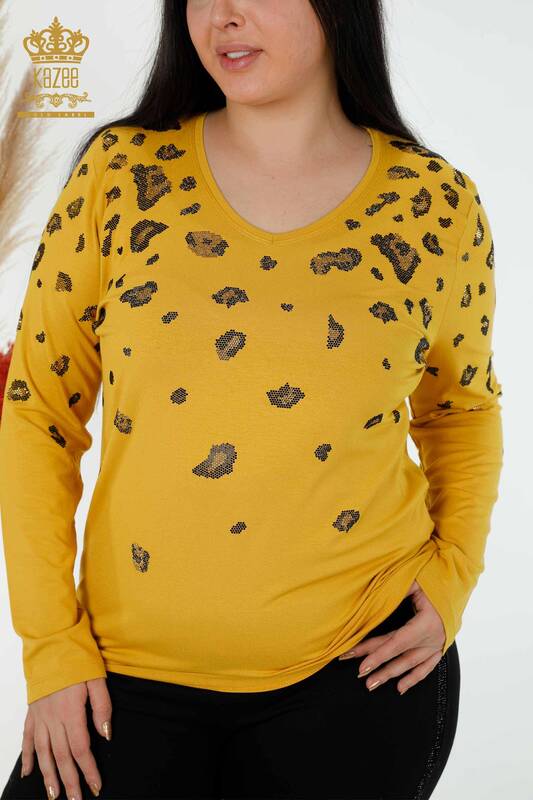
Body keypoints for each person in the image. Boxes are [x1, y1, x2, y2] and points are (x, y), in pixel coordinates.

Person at [0, 1, 503, 798]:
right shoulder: (121, 174)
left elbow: (461, 411)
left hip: (359, 669)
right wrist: (51, 649)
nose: (224, 15)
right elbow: (37, 413)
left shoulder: (436, 202)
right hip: (119, 677)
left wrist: (452, 579)